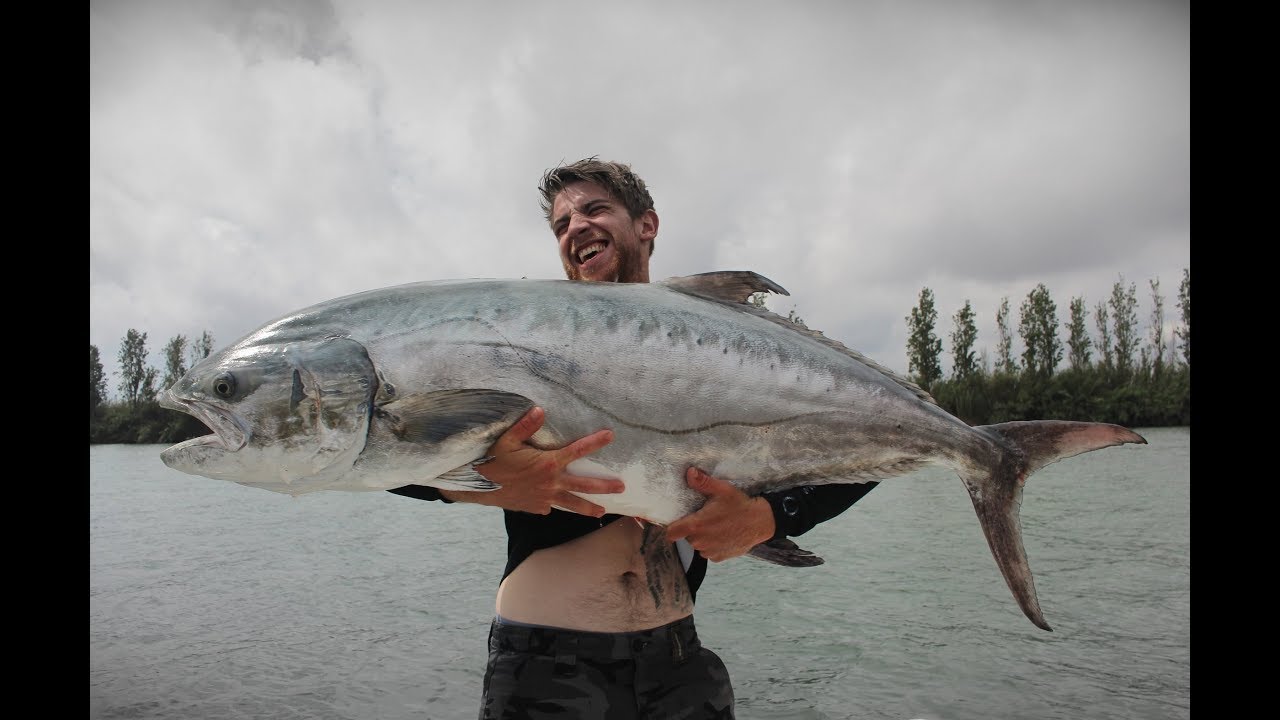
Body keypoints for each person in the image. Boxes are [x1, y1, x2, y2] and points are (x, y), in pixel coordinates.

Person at [389, 158, 877, 719]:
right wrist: (486, 484)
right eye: (561, 225)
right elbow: (375, 447)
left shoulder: (718, 358)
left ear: (647, 224)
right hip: (549, 664)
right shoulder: (524, 341)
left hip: (680, 661)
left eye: (594, 209)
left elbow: (867, 455)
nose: (575, 227)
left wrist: (769, 517)